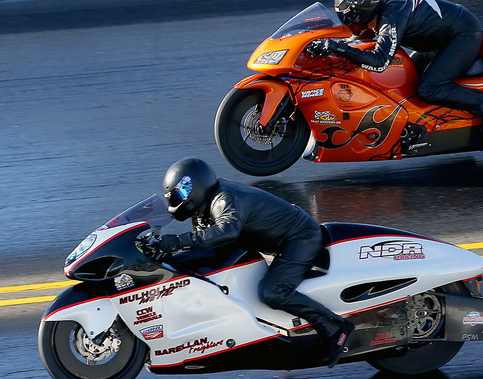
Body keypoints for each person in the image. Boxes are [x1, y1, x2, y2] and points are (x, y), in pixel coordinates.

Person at [148, 158, 355, 368]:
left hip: (299, 238)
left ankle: (335, 327)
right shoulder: (202, 209)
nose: (176, 199)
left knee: (272, 292)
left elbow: (226, 232)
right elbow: (203, 243)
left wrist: (176, 242)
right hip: (275, 242)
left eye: (181, 192)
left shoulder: (224, 199)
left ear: (198, 186)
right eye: (173, 196)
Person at [308, 0, 483, 137]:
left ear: (364, 8)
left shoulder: (392, 18)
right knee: (406, 80)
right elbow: (355, 38)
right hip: (437, 38)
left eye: (348, 13)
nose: (345, 18)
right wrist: (326, 44)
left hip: (461, 34)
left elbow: (380, 62)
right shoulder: (380, 13)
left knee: (429, 88)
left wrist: (340, 49)